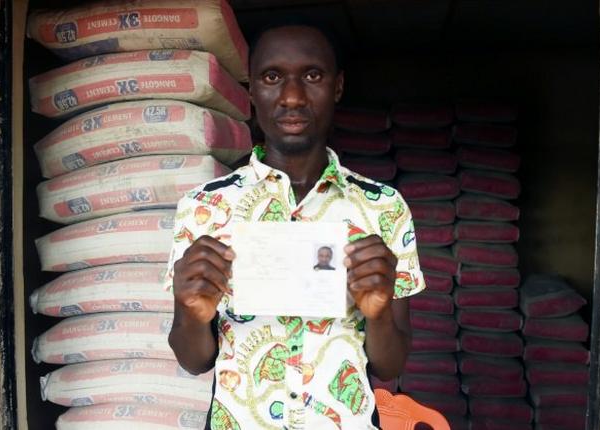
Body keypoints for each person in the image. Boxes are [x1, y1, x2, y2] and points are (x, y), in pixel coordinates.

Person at [166, 22, 426, 430]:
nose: (292, 97)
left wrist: (376, 315)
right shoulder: (205, 207)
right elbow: (193, 360)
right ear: (250, 89)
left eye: (312, 75)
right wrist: (192, 315)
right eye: (272, 77)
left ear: (337, 87)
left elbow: (390, 365)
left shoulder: (383, 208)